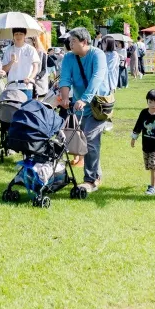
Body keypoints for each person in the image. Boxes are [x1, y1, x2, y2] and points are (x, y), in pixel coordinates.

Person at [58, 27, 112, 194]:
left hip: (99, 105)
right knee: (86, 141)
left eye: (73, 41)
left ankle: (90, 180)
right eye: (70, 41)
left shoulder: (98, 55)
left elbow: (97, 78)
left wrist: (84, 99)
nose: (70, 44)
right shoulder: (68, 57)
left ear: (84, 42)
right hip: (79, 106)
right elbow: (65, 79)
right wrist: (65, 98)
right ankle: (96, 175)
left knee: (89, 139)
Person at [2, 28, 40, 99]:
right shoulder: (9, 50)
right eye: (16, 34)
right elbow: (4, 69)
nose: (18, 36)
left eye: (21, 34)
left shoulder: (30, 49)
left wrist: (30, 78)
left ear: (25, 35)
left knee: (26, 106)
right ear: (13, 35)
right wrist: (12, 61)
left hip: (26, 86)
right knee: (12, 106)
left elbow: (36, 67)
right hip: (12, 86)